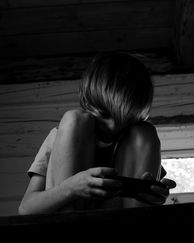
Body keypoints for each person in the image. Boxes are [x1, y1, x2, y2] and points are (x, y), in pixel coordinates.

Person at [19, 52, 176, 215]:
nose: (114, 126)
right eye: (105, 115)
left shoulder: (138, 145)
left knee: (145, 131)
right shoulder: (59, 136)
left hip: (123, 228)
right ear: (87, 102)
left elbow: (150, 195)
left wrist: (153, 199)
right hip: (69, 224)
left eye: (126, 120)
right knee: (74, 118)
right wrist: (71, 187)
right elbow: (26, 209)